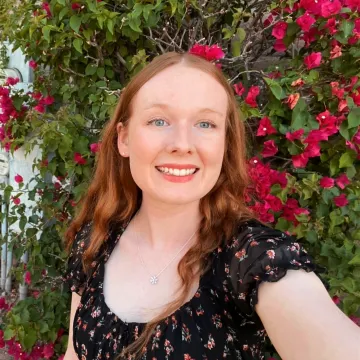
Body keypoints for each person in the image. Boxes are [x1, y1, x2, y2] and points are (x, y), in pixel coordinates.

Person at [63, 51, 360, 360]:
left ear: (225, 142)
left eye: (205, 124)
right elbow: (74, 352)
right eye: (159, 120)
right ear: (124, 139)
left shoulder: (253, 261)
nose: (182, 143)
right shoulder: (96, 241)